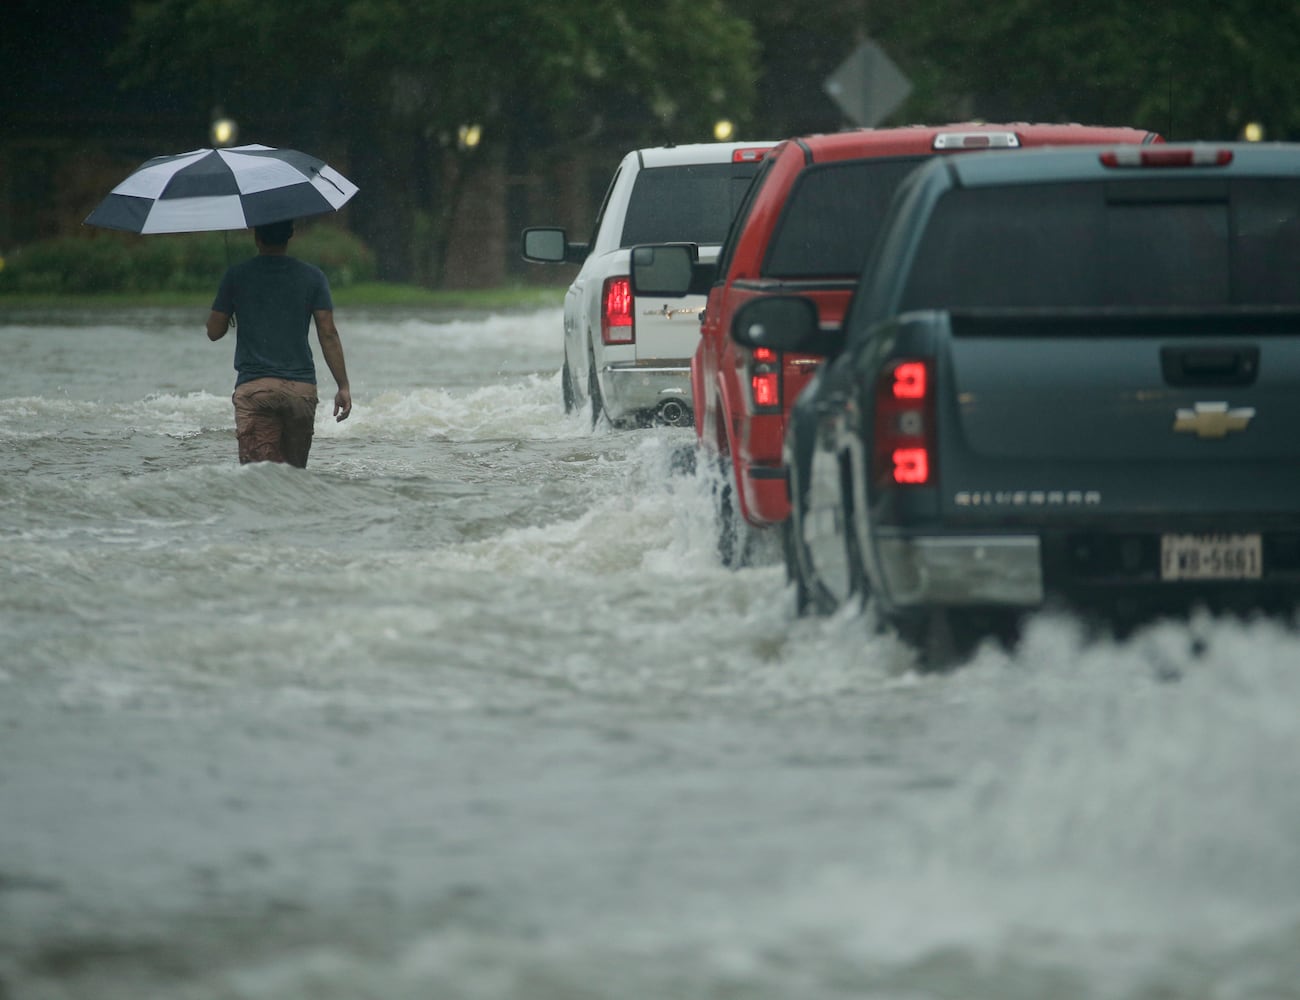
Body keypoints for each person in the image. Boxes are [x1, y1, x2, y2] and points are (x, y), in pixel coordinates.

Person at [205, 219, 352, 468]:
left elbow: (213, 332)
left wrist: (232, 308)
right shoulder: (313, 277)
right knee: (293, 481)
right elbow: (327, 333)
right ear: (290, 235)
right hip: (300, 392)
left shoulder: (236, 276)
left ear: (256, 236)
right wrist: (343, 386)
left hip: (255, 390)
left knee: (259, 481)